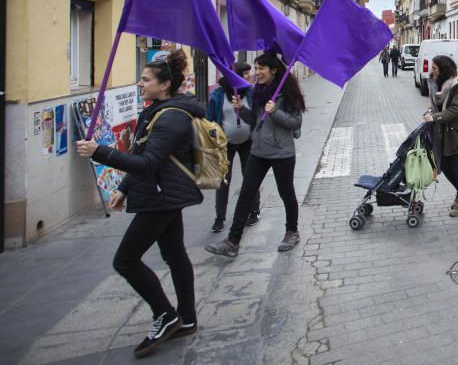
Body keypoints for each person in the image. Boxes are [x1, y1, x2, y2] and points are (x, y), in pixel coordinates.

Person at [75, 49, 202, 357]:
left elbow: (149, 162)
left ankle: (166, 313)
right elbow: (143, 153)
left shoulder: (171, 117)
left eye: (145, 79)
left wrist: (99, 152)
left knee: (125, 260)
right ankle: (186, 319)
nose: (140, 83)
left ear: (165, 85)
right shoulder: (157, 109)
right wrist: (124, 186)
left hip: (161, 196)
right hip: (159, 192)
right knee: (174, 255)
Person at [206, 52, 305, 257]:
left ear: (274, 70)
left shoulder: (287, 93)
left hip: (281, 153)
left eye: (261, 69)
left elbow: (296, 123)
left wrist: (276, 111)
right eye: (256, 68)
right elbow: (256, 120)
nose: (256, 73)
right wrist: (241, 109)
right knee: (246, 193)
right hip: (258, 151)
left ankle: (292, 231)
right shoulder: (258, 91)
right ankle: (233, 241)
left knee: (286, 193)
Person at [208, 62, 259, 234]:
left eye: (249, 73)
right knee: (224, 180)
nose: (248, 76)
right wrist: (214, 139)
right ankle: (220, 217)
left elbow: (257, 115)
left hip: (248, 142)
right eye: (245, 74)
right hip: (225, 144)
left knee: (250, 177)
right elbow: (210, 121)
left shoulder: (251, 93)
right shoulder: (218, 94)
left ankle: (254, 210)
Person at [422, 55, 458, 216]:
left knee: (457, 169)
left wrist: (435, 118)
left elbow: (455, 109)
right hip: (442, 134)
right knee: (444, 167)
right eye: (432, 67)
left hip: (457, 134)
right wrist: (431, 112)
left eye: (435, 68)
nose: (432, 71)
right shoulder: (436, 85)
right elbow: (437, 107)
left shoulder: (456, 86)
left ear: (443, 70)